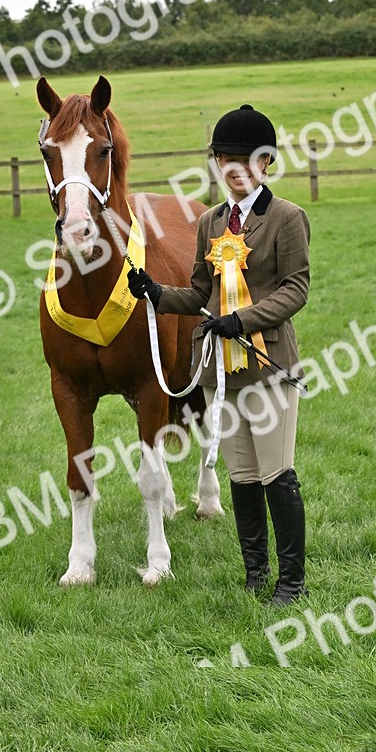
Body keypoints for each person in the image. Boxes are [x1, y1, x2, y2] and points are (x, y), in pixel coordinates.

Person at [128, 104, 311, 605]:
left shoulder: (287, 218)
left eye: (244, 158)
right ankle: (255, 575)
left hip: (267, 364)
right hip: (218, 371)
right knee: (242, 474)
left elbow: (296, 289)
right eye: (223, 158)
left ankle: (291, 582)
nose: (233, 168)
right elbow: (199, 294)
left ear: (266, 161)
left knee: (276, 472)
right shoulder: (209, 222)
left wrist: (242, 320)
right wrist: (157, 293)